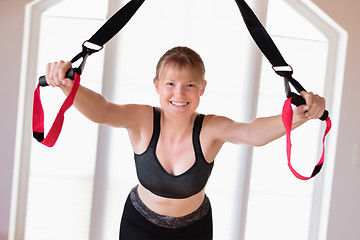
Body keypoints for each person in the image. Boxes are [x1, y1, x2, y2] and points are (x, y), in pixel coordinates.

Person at [45, 46, 326, 239]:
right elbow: (103, 110)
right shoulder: (142, 120)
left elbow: (251, 132)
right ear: (156, 85)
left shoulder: (210, 128)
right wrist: (70, 86)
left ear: (202, 88)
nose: (179, 93)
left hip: (194, 230)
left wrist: (298, 116)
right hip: (139, 225)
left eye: (189, 85)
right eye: (170, 84)